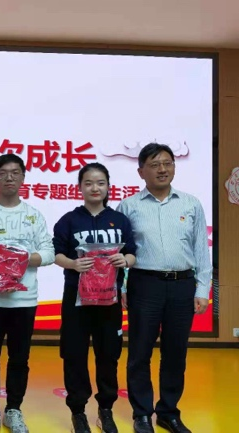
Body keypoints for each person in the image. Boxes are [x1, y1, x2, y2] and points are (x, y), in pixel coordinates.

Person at [116, 143, 211, 433]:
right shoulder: (128, 206)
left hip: (182, 285)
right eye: (155, 164)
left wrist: (202, 290)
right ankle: (142, 414)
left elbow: (201, 250)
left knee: (175, 353)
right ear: (140, 171)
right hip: (144, 285)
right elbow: (121, 251)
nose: (162, 169)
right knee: (140, 352)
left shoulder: (190, 204)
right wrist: (122, 287)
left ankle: (168, 412)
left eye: (168, 163)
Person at [0, 154, 55, 433]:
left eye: (15, 172)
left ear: (23, 178)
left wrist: (21, 262)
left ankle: (14, 410)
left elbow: (49, 252)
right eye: (3, 173)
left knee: (19, 358)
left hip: (23, 300)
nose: (9, 178)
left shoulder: (33, 215)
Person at [53, 162, 136, 433]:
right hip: (76, 300)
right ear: (80, 187)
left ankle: (106, 409)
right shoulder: (69, 220)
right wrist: (73, 264)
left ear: (108, 186)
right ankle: (78, 412)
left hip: (109, 300)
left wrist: (125, 260)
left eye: (100, 182)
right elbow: (56, 254)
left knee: (108, 355)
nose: (94, 188)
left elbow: (133, 252)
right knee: (74, 355)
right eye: (88, 183)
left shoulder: (120, 220)